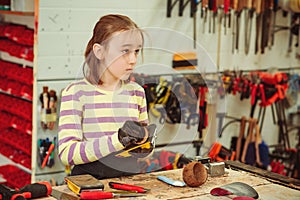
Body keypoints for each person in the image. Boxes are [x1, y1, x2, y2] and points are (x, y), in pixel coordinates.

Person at [58, 14, 156, 179]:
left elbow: (142, 152)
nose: (133, 59)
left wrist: (146, 144)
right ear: (99, 52)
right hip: (89, 184)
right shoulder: (76, 93)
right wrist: (117, 140)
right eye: (125, 51)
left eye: (136, 51)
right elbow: (67, 153)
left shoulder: (136, 92)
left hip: (130, 180)